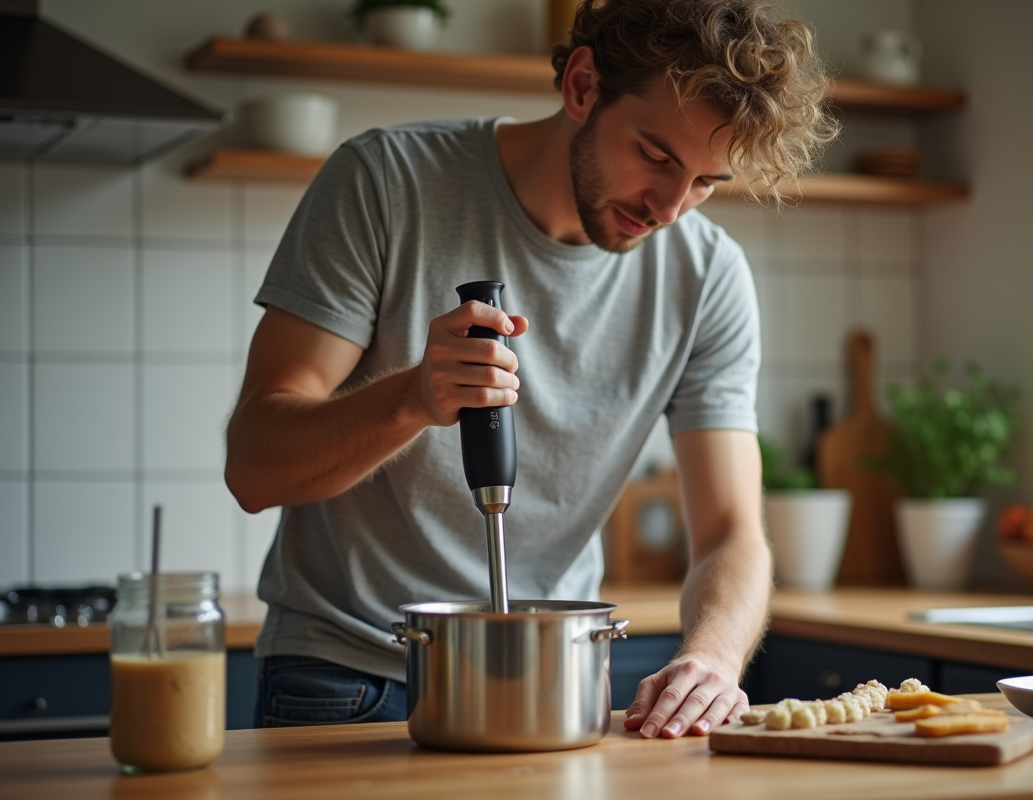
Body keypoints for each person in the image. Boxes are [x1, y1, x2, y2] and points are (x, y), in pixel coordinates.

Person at [225, 0, 836, 738]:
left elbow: (731, 530)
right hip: (347, 677)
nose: (672, 208)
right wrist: (412, 400)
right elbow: (255, 467)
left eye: (708, 181)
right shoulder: (385, 182)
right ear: (582, 85)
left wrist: (711, 658)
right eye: (656, 155)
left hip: (558, 683)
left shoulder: (708, 277)